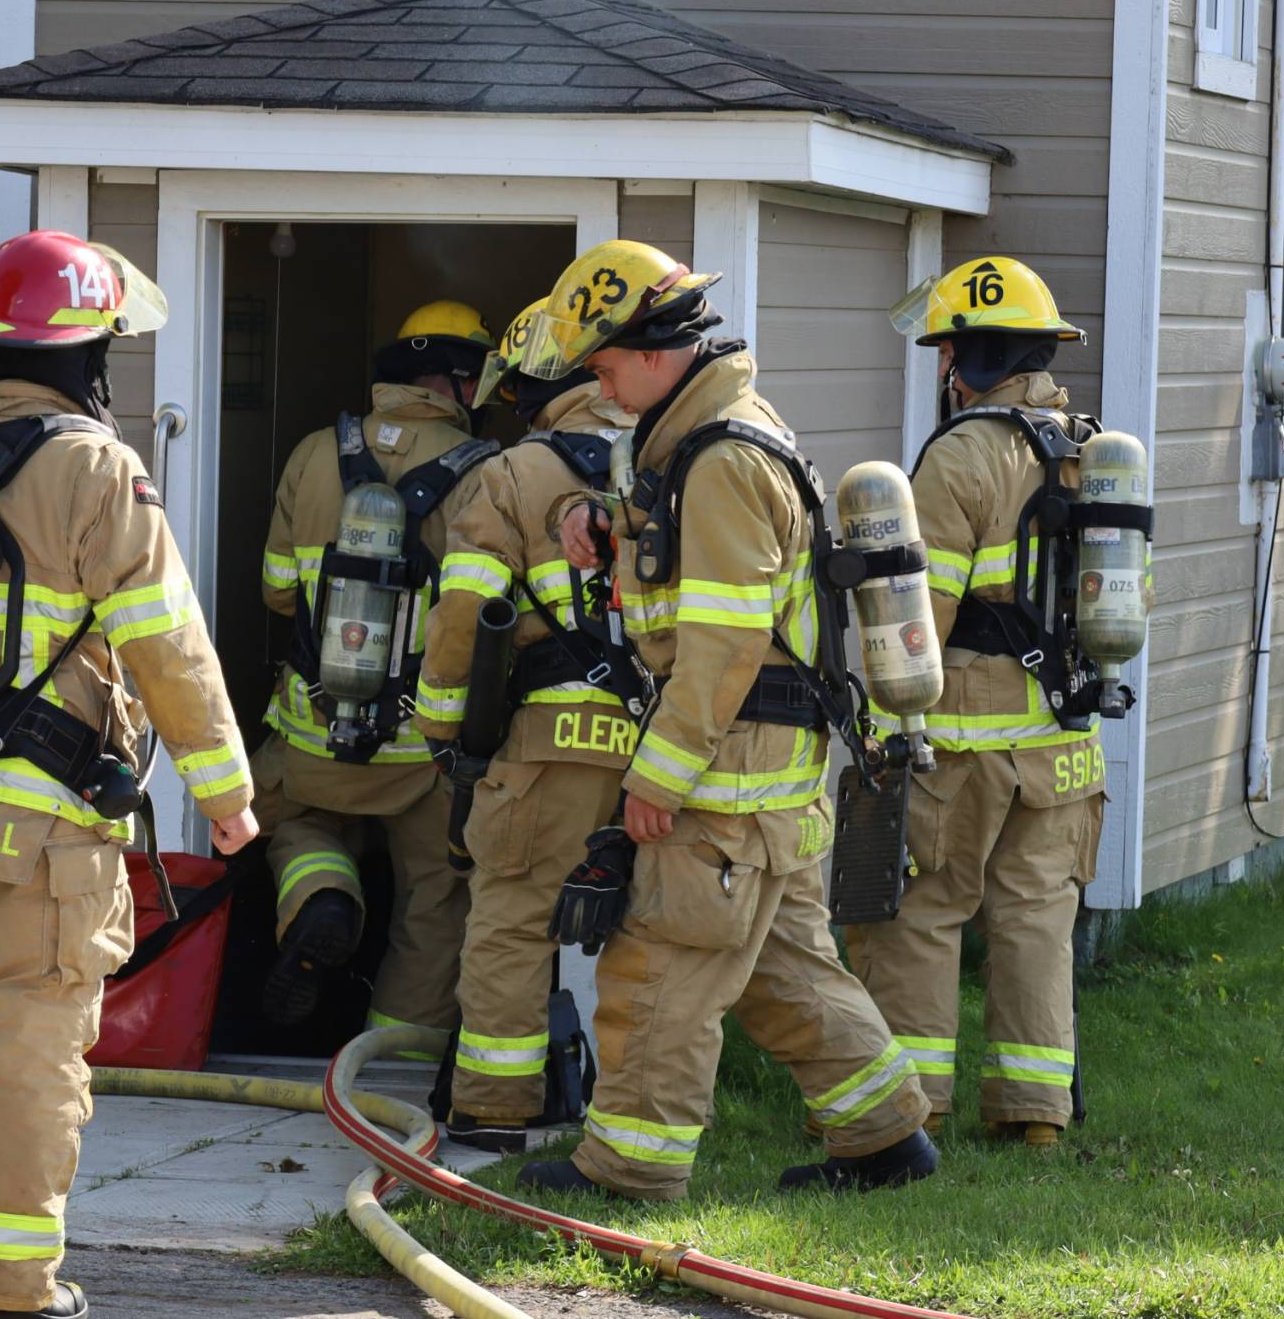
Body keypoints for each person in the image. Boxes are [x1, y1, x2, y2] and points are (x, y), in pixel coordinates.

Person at [0, 230, 259, 1319]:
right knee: (31, 1047)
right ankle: (0, 1281)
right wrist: (225, 795)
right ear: (85, 354)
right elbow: (166, 643)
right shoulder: (93, 468)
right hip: (39, 828)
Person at [513, 241, 938, 1201]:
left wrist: (656, 781)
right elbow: (690, 552)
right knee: (784, 969)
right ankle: (883, 1138)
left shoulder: (721, 459)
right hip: (766, 774)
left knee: (662, 960)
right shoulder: (706, 439)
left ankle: (627, 1169)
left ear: (656, 348)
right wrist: (603, 520)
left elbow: (722, 647)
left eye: (605, 359)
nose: (599, 380)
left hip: (725, 770)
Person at [843, 256, 1104, 1149]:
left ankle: (914, 1109)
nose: (946, 374)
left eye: (949, 354)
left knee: (923, 913)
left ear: (975, 360)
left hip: (962, 739)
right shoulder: (1084, 449)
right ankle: (1034, 1115)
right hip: (1063, 742)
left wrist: (885, 723)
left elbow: (924, 615)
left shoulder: (961, 457)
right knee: (1035, 921)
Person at [412, 305, 642, 1153]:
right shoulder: (673, 458)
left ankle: (495, 1110)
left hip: (551, 745)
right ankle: (639, 1111)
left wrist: (446, 732)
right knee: (653, 929)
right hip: (667, 746)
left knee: (510, 915)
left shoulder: (513, 475)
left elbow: (464, 616)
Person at [251, 302, 498, 1044]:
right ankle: (390, 1053)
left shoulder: (311, 451)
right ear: (463, 381)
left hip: (313, 726)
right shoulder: (490, 475)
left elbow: (275, 590)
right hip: (423, 746)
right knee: (435, 898)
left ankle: (323, 891)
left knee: (294, 826)